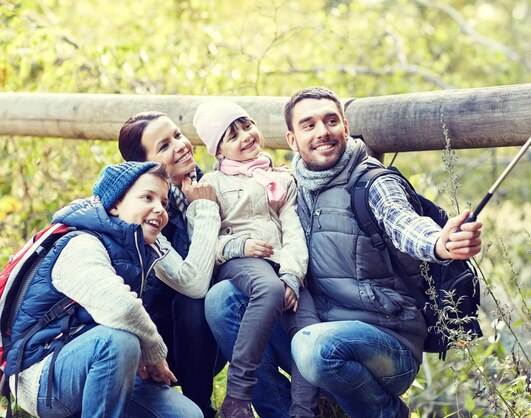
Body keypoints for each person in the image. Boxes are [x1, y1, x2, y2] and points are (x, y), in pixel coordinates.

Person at [207, 86, 483, 418]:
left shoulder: (371, 183)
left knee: (314, 347)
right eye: (308, 125)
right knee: (224, 299)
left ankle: (386, 413)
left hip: (384, 341)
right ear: (292, 140)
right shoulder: (287, 186)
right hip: (312, 328)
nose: (322, 132)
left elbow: (403, 222)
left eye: (330, 121)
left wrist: (440, 243)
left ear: (345, 127)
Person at [4, 161, 203, 417]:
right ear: (115, 204)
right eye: (147, 197)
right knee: (119, 341)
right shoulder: (82, 244)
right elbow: (121, 308)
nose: (159, 209)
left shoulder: (137, 254)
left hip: (99, 370)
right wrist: (154, 353)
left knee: (188, 415)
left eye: (164, 203)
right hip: (43, 376)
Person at [193, 100, 319, 418]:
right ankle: (237, 396)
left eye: (246, 125)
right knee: (269, 289)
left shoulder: (282, 179)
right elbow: (206, 241)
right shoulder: (211, 185)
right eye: (232, 135)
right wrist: (239, 245)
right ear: (218, 151)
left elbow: (293, 232)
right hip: (241, 263)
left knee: (308, 331)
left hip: (280, 262)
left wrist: (292, 274)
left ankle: (302, 412)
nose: (245, 136)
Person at [118, 112, 226, 418]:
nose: (180, 146)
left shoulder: (206, 183)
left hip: (211, 337)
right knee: (190, 302)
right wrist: (205, 210)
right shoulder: (144, 214)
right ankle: (201, 409)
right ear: (145, 166)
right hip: (157, 350)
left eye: (178, 135)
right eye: (164, 146)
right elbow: (193, 284)